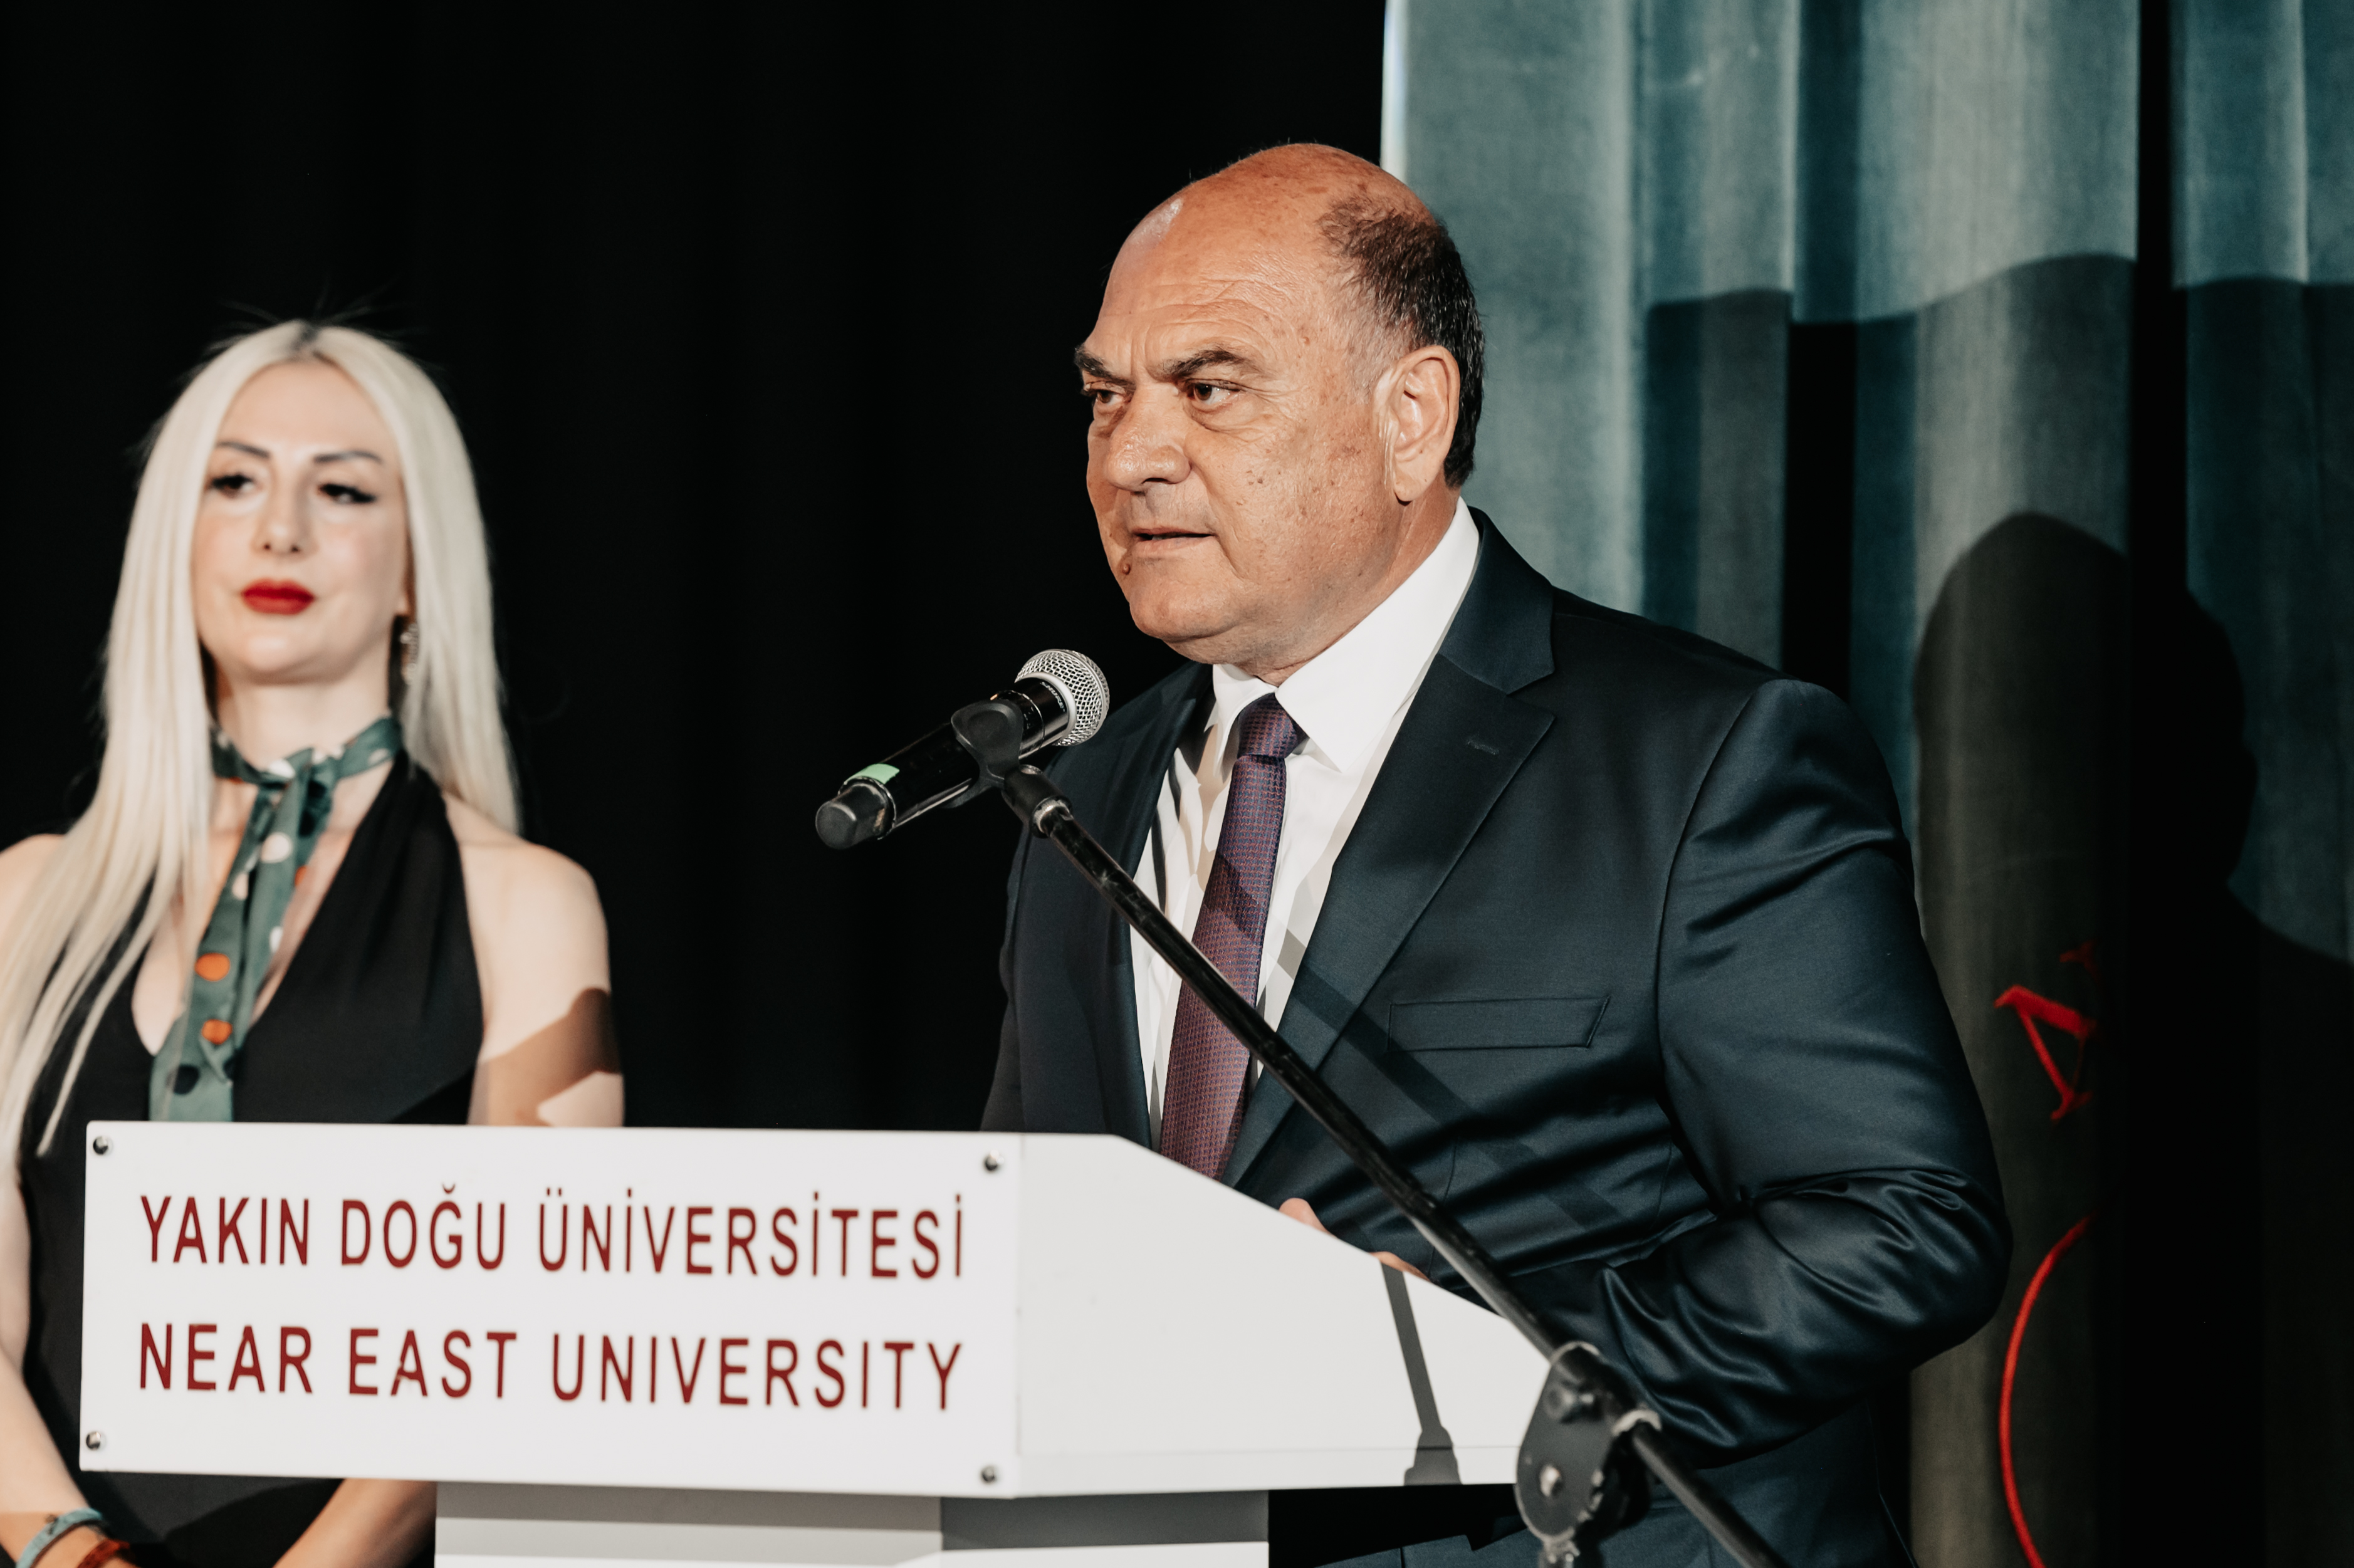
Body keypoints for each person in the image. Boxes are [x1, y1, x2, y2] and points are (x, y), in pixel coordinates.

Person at [985, 145, 2008, 1566]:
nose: (1129, 456)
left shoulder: (1704, 760)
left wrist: (1453, 1364)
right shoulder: (1081, 792)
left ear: (1411, 417)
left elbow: (1902, 1223)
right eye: (1106, 397)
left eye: (1208, 388)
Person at [0, 323, 620, 1568]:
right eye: (234, 480)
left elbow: (523, 1324)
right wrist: (74, 1559)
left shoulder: (525, 906)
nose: (279, 529)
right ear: (174, 533)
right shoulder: (26, 896)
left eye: (341, 490)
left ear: (417, 565)